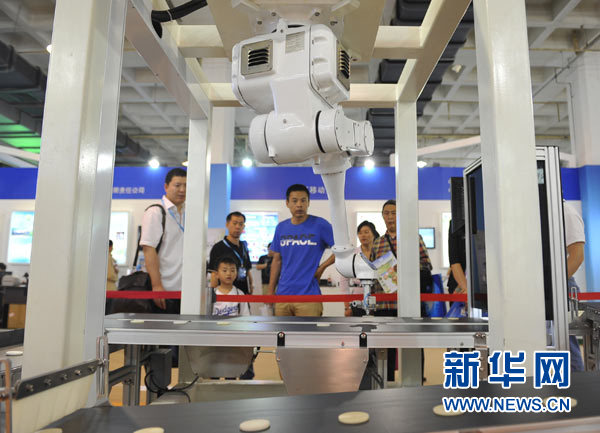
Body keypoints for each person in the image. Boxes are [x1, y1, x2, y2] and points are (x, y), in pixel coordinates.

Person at [267, 184, 335, 317]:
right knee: (282, 331)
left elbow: (342, 250)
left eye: (303, 200)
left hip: (309, 295)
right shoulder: (281, 227)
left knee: (308, 331)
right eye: (294, 201)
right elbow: (277, 260)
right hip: (283, 294)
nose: (299, 205)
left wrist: (321, 268)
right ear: (287, 203)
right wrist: (270, 291)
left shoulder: (320, 225)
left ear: (308, 202)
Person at [140, 167, 187, 314]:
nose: (182, 190)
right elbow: (148, 249)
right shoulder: (156, 212)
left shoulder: (189, 212)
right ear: (166, 186)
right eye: (177, 185)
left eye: (186, 186)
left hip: (186, 290)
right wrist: (157, 286)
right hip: (164, 289)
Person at [563, 200, 586, 371]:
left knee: (567, 347)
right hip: (546, 285)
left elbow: (577, 257)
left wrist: (554, 284)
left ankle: (576, 383)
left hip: (562, 286)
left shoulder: (567, 212)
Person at [208, 212, 254, 295]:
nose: (237, 227)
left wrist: (251, 284)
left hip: (243, 292)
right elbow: (214, 274)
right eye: (235, 223)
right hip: (225, 294)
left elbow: (247, 268)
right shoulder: (218, 247)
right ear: (227, 225)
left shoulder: (244, 246)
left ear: (243, 227)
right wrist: (213, 295)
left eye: (240, 224)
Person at [343, 221, 379, 317]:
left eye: (366, 232)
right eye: (360, 233)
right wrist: (347, 306)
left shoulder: (379, 252)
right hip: (357, 298)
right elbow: (344, 280)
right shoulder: (353, 254)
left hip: (378, 299)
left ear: (373, 234)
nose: (363, 235)